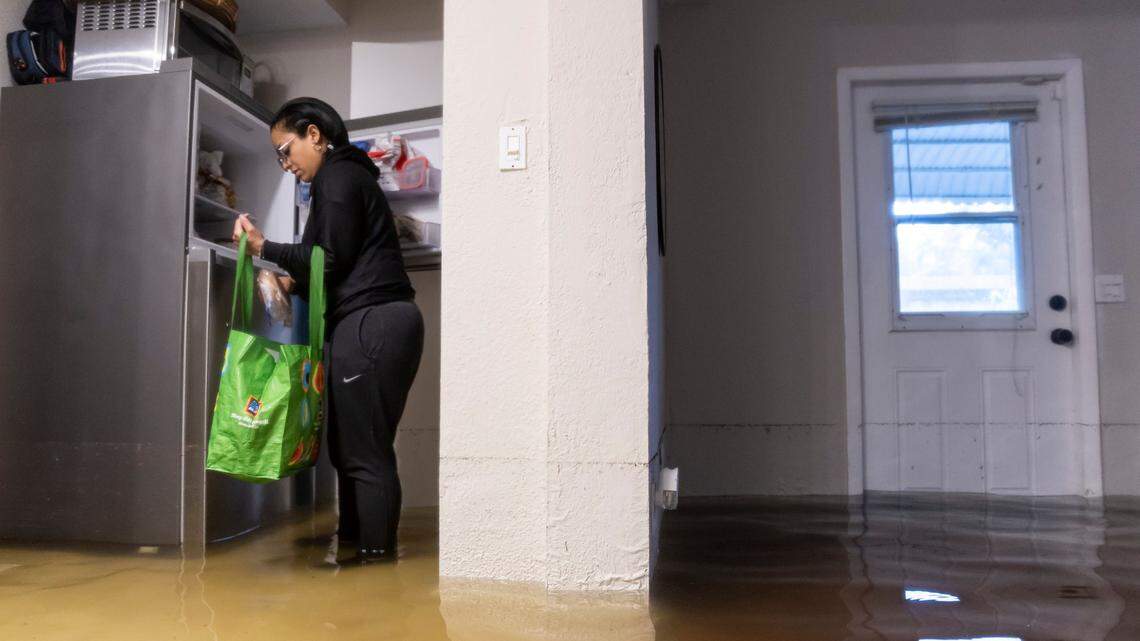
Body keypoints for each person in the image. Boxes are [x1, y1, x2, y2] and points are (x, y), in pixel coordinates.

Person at [233, 97, 423, 564]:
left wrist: (264, 246)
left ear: (313, 134)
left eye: (285, 150)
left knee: (364, 452)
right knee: (350, 450)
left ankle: (377, 564)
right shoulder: (345, 179)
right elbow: (331, 266)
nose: (285, 164)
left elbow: (330, 259)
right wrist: (290, 282)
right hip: (369, 321)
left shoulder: (338, 175)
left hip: (372, 322)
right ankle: (358, 555)